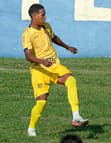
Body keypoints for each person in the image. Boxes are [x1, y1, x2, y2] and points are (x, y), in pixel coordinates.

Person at [22, 4, 89, 136]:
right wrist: (42, 61)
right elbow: (28, 56)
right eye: (42, 15)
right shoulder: (28, 34)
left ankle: (76, 116)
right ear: (34, 16)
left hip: (54, 66)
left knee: (71, 80)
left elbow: (54, 37)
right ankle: (31, 129)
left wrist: (67, 47)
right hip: (39, 71)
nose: (45, 17)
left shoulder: (46, 27)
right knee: (41, 102)